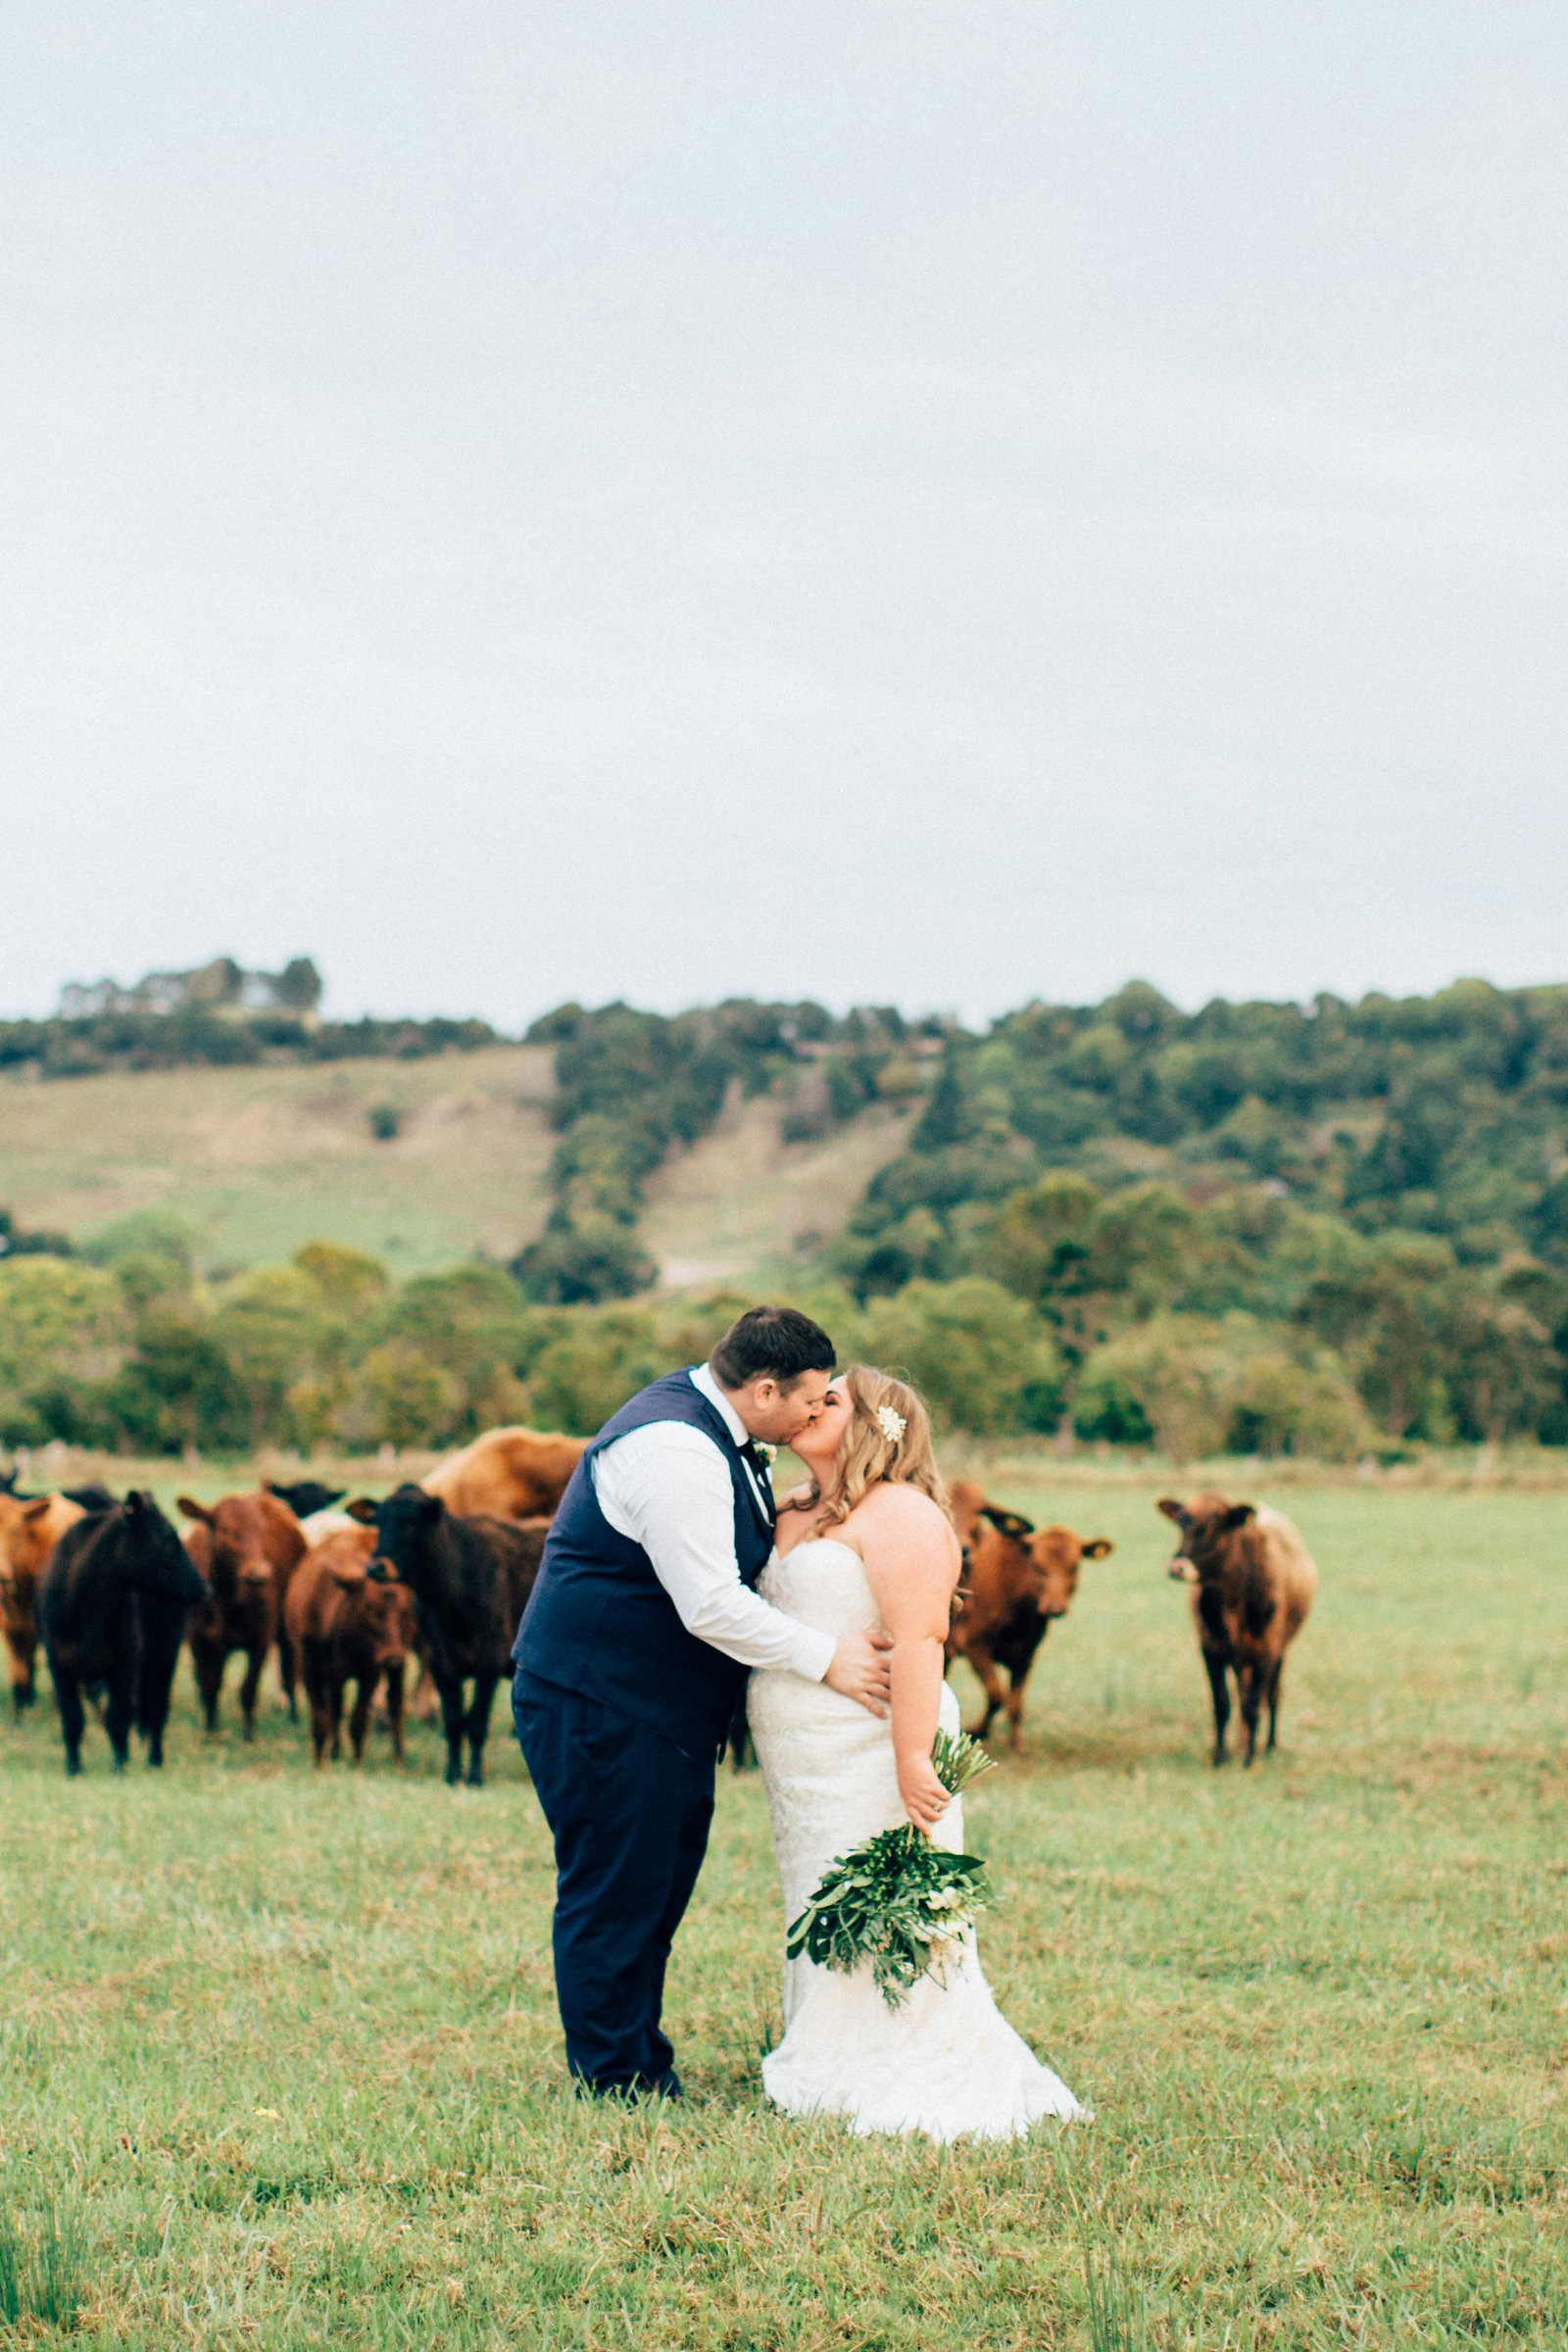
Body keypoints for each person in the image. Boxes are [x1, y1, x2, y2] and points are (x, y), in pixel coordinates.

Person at [512, 1305, 893, 2100]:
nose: (818, 1412)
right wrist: (828, 1660)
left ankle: (638, 2054)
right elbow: (710, 1606)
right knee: (615, 1887)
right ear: (763, 1389)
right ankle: (614, 2077)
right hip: (600, 1701)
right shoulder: (676, 1449)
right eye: (811, 1399)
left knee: (656, 1883)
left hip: (653, 1709)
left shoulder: (715, 1430)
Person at [749, 1365, 1088, 2140]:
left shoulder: (901, 1514)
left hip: (872, 1750)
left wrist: (912, 1761)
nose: (806, 1407)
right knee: (815, 1891)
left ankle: (896, 2053)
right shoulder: (794, 1507)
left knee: (882, 1900)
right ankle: (825, 2045)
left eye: (827, 1400)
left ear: (877, 1424)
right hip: (802, 1759)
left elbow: (922, 1643)